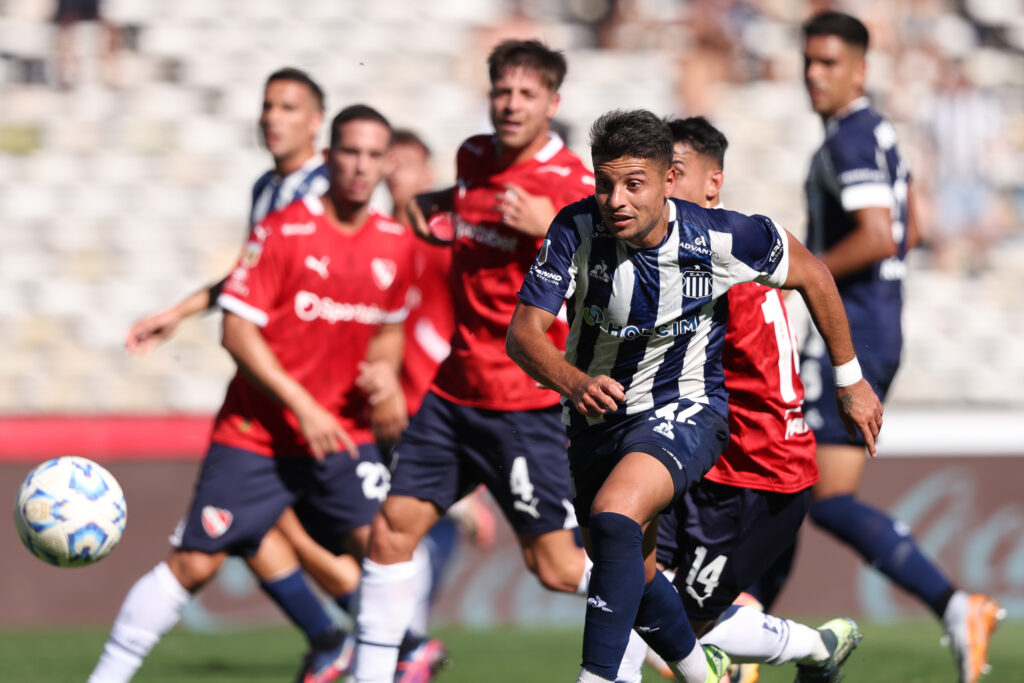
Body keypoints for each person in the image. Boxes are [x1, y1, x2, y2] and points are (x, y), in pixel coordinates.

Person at [507, 108, 883, 683]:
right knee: (639, 568)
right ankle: (701, 673)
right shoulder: (575, 228)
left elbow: (814, 273)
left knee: (615, 518)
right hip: (596, 416)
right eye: (605, 183)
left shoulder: (721, 237)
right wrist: (574, 382)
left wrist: (850, 378)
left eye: (633, 184)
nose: (616, 200)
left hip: (686, 410)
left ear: (667, 181)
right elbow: (523, 334)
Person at [89, 105, 414, 683]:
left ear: (385, 162)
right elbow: (236, 331)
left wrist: (385, 375)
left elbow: (387, 334)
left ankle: (374, 664)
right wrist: (303, 404)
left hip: (344, 431)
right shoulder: (284, 229)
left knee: (387, 547)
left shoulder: (395, 246)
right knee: (193, 562)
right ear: (330, 155)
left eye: (372, 155)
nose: (361, 167)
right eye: (350, 152)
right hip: (258, 433)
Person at [351, 40, 605, 683]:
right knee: (390, 536)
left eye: (526, 94)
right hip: (454, 393)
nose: (512, 104)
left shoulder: (574, 185)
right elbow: (473, 197)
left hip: (523, 402)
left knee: (553, 568)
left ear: (553, 102)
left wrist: (552, 227)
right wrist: (439, 201)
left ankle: (688, 629)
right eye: (502, 91)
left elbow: (609, 285)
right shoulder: (473, 156)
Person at [762, 12, 1003, 683]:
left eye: (829, 62)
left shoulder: (849, 139)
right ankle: (744, 632)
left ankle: (738, 632)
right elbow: (913, 225)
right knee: (812, 491)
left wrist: (801, 276)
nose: (815, 74)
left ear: (860, 69)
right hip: (879, 325)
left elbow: (878, 234)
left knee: (789, 482)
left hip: (851, 334)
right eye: (810, 61)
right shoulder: (878, 133)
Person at [639, 115, 861, 683]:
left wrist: (850, 377)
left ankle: (813, 647)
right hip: (710, 463)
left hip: (755, 474)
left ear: (713, 183)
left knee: (673, 625)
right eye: (659, 173)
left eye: (677, 173)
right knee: (635, 592)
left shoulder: (709, 260)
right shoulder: (738, 246)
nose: (664, 186)